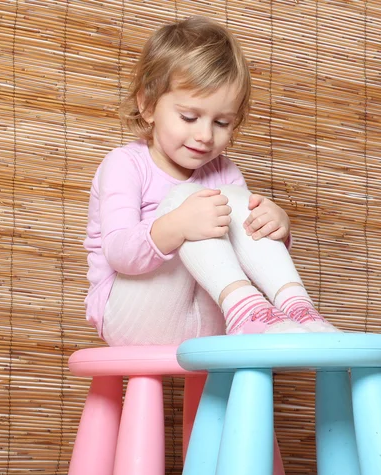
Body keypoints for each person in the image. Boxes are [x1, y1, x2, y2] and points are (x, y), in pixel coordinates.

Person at [84, 15, 339, 346]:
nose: (205, 135)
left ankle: (300, 311)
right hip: (132, 319)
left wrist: (274, 225)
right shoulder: (124, 164)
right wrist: (178, 225)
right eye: (189, 117)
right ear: (148, 106)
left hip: (214, 323)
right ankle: (245, 307)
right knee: (192, 198)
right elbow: (119, 253)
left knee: (232, 199)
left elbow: (245, 255)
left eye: (221, 122)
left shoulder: (225, 172)